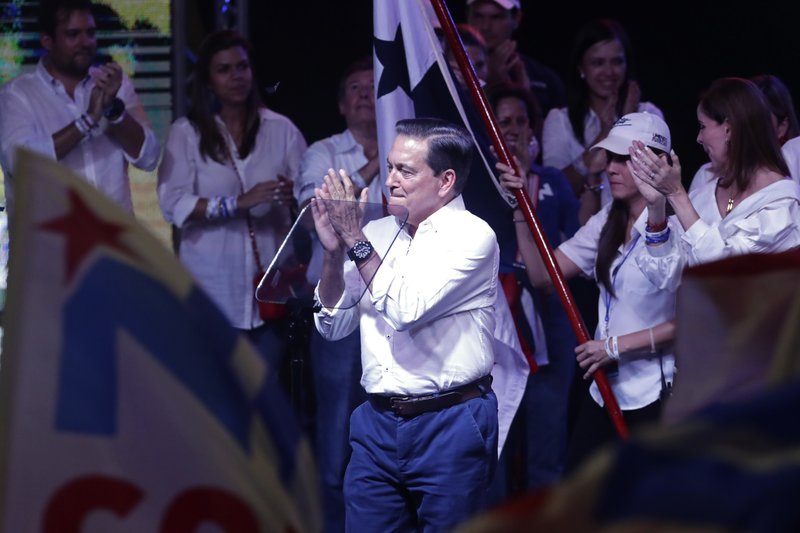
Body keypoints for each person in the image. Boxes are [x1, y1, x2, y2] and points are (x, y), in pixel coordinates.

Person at [313, 118, 499, 531]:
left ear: (446, 180)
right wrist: (331, 254)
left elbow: (406, 308)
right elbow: (333, 326)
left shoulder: (473, 236)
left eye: (406, 171)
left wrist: (353, 239)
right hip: (376, 423)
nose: (390, 180)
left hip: (449, 421)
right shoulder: (375, 232)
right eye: (391, 166)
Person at [498, 112, 680, 472]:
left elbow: (689, 324)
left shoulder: (681, 224)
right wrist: (520, 207)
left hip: (656, 394)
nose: (611, 168)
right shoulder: (607, 219)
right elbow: (542, 275)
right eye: (610, 158)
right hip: (605, 391)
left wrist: (614, 347)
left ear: (658, 163)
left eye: (624, 159)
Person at [157, 30, 307, 370]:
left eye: (242, 67)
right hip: (212, 292)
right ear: (208, 81)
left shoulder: (281, 129)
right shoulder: (187, 132)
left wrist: (292, 195)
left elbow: (309, 197)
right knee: (216, 407)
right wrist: (237, 202)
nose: (236, 76)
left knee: (262, 405)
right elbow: (172, 204)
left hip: (271, 291)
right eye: (224, 69)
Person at [293, 56, 376, 533]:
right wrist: (375, 160)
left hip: (397, 306)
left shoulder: (411, 151)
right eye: (356, 87)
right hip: (340, 303)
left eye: (373, 86)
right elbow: (314, 214)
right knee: (336, 430)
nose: (366, 93)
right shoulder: (323, 152)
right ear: (342, 103)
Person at [0, 0, 160, 215]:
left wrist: (113, 110)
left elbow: (149, 157)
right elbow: (20, 164)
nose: (85, 42)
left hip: (113, 242)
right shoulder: (18, 95)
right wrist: (87, 121)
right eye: (73, 34)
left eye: (90, 33)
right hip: (50, 245)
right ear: (47, 40)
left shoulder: (114, 86)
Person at [630, 77, 800, 269]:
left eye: (703, 126)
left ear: (729, 129)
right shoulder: (703, 195)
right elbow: (667, 274)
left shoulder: (782, 203)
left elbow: (728, 269)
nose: (698, 138)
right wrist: (656, 208)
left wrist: (677, 195)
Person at [542, 18, 663, 203]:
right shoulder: (559, 120)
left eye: (616, 62)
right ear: (581, 68)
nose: (609, 72)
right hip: (578, 228)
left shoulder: (648, 114)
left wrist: (628, 120)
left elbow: (658, 180)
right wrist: (607, 131)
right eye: (598, 63)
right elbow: (555, 190)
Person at [689, 73, 800, 193]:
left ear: (782, 127)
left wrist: (677, 194)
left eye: (761, 120)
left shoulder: (780, 186)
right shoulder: (706, 177)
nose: (748, 127)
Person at [465, 0, 565, 116]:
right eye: (478, 16)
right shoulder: (452, 70)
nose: (485, 27)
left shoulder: (544, 79)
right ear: (467, 16)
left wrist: (526, 96)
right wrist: (491, 84)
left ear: (516, 18)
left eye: (496, 17)